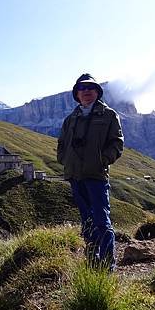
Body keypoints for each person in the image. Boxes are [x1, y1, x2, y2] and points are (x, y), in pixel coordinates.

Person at [57, 73, 124, 270]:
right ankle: (93, 259)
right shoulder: (70, 119)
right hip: (75, 176)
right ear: (77, 94)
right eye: (82, 88)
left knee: (102, 220)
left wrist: (102, 160)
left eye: (90, 88)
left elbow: (117, 143)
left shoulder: (109, 115)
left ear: (97, 92)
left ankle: (107, 264)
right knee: (86, 220)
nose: (86, 91)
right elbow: (61, 144)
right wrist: (64, 160)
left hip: (96, 175)